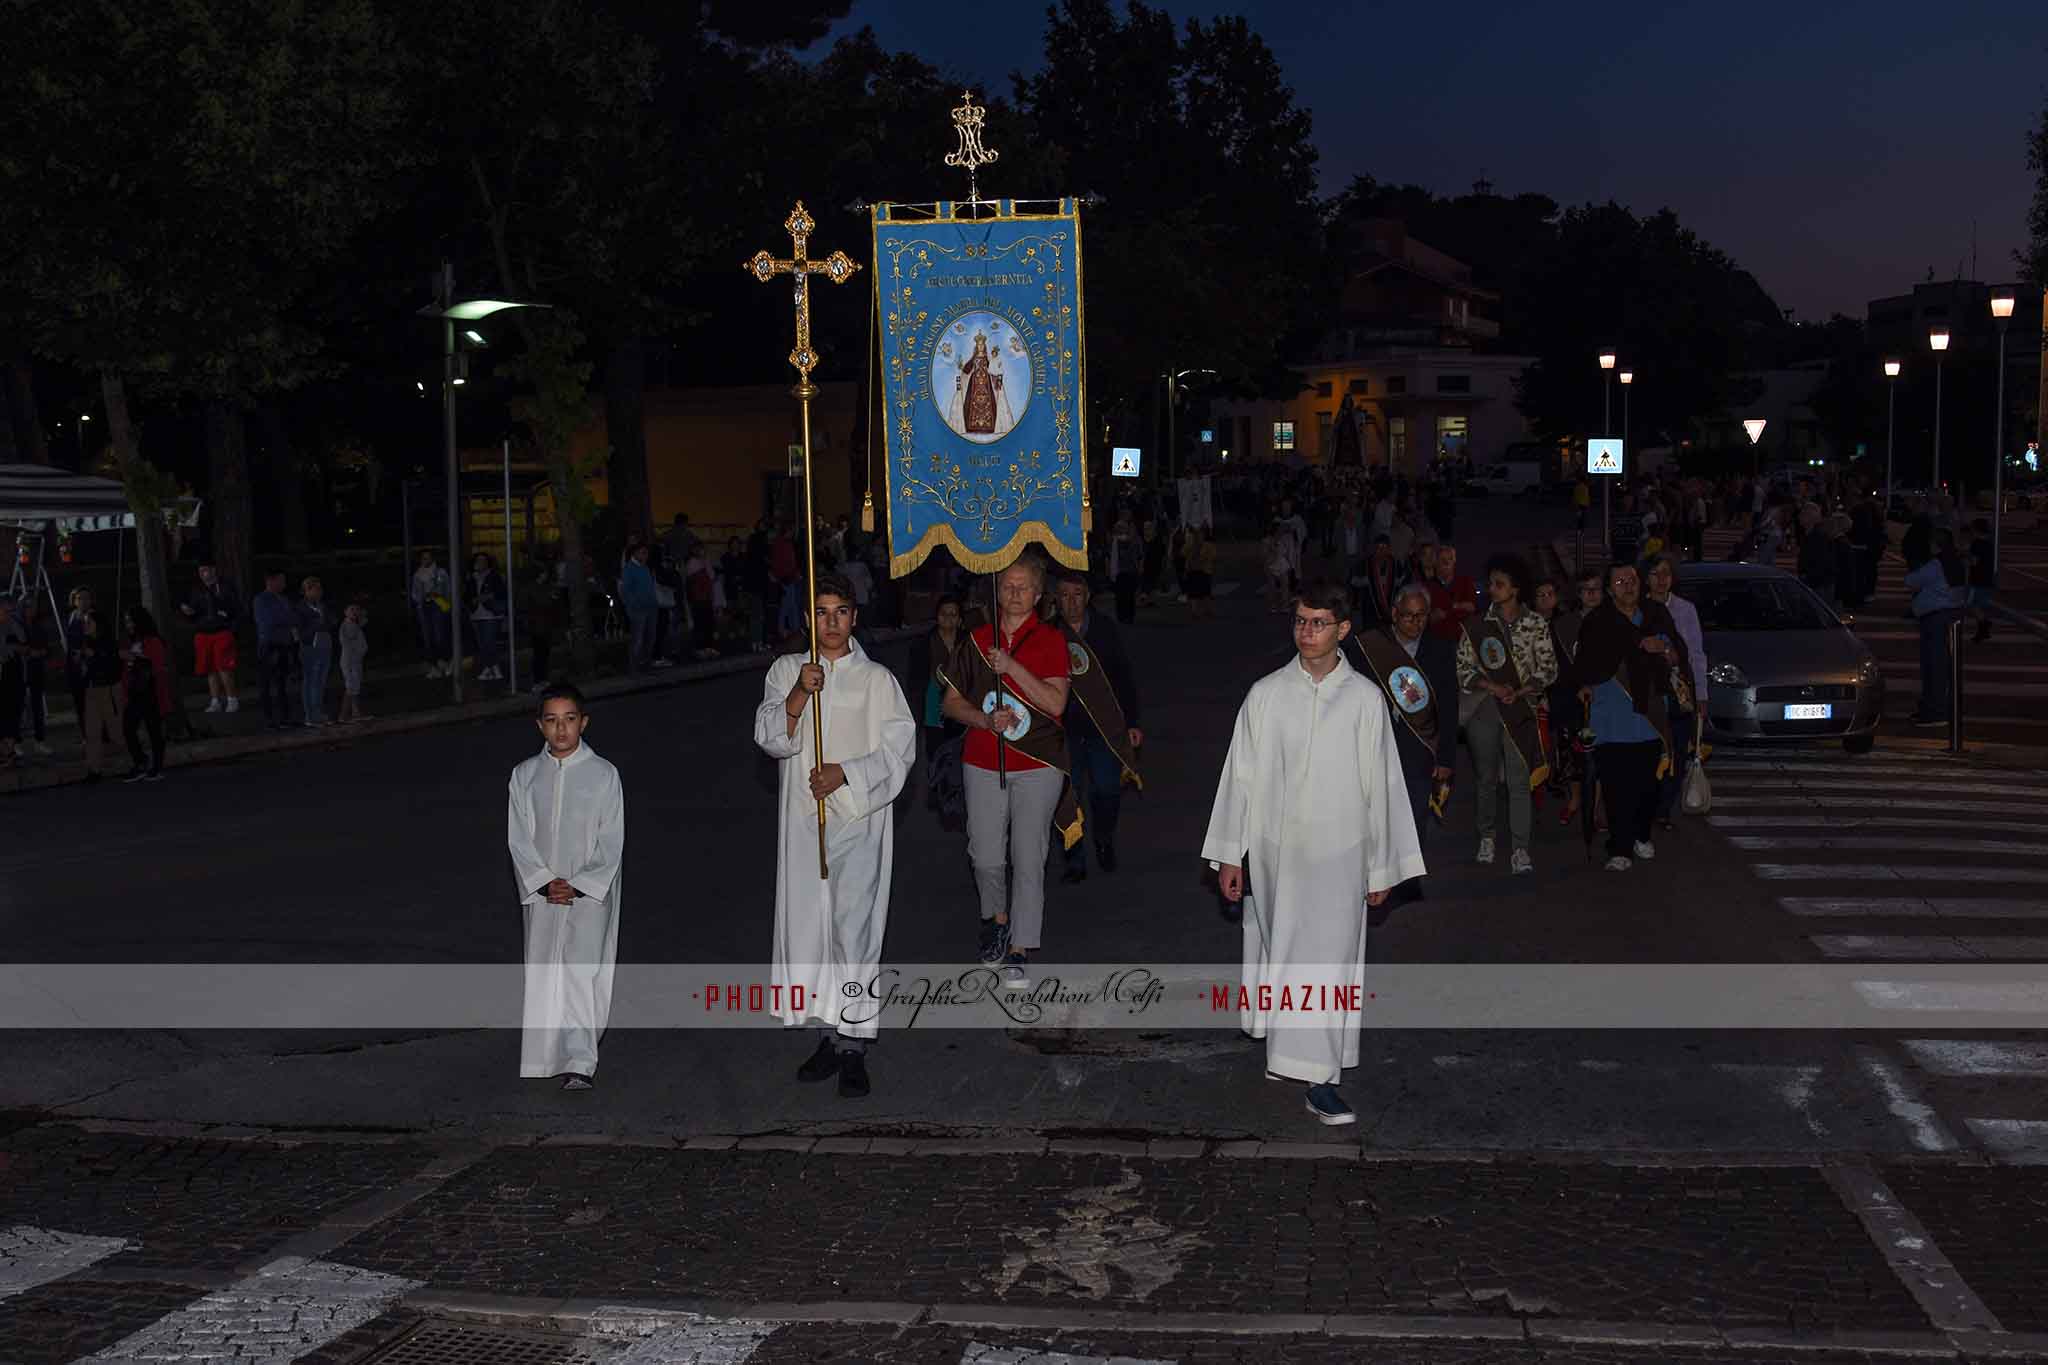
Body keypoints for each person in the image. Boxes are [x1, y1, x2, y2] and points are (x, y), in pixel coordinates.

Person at [1202, 580, 1424, 1126]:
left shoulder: (1366, 700)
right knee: (1286, 951)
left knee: (1328, 961)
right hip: (1279, 854)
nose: (1306, 631)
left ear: (1343, 629)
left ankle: (1320, 1079)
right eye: (1300, 621)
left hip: (1341, 855)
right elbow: (1240, 779)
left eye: (1318, 622)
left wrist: (1383, 867)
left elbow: (1385, 786)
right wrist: (1232, 853)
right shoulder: (1266, 694)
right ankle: (1289, 1052)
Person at [753, 574, 915, 1099]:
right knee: (812, 929)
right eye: (821, 612)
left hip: (859, 821)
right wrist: (802, 689)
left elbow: (899, 749)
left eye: (840, 611)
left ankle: (853, 1043)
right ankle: (827, 1031)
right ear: (808, 619)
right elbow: (771, 737)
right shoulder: (786, 671)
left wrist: (845, 772)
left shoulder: (876, 680)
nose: (831, 622)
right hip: (804, 825)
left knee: (853, 929)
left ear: (854, 617)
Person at [939, 552, 1072, 990]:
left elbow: (1056, 705)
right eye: (1007, 586)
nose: (1013, 594)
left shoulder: (1052, 640)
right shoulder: (976, 639)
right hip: (983, 758)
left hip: (1038, 764)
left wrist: (1012, 667)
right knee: (986, 854)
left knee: (1028, 855)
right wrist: (982, 719)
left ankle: (1020, 946)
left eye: (1023, 587)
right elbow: (950, 702)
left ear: (1037, 594)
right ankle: (995, 919)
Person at [507, 683, 625, 1089]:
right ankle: (543, 1057)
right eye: (552, 721)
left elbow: (611, 839)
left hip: (588, 892)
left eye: (569, 719)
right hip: (543, 892)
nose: (561, 730)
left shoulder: (603, 774)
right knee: (543, 968)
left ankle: (579, 1059)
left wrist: (579, 884)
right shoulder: (524, 776)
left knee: (582, 971)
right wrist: (542, 881)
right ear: (540, 726)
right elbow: (518, 836)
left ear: (583, 722)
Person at [1566, 563, 1692, 871]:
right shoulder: (1598, 621)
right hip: (1610, 716)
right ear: (1610, 589)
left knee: (1648, 786)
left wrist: (1663, 647)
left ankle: (1641, 834)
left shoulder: (1655, 614)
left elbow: (1679, 652)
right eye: (1620, 581)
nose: (1628, 585)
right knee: (1616, 787)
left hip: (1649, 717)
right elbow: (1584, 666)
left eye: (1632, 579)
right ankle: (1619, 848)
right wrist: (1633, 646)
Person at [1346, 582, 1456, 919]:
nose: (1415, 623)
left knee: (1414, 813)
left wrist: (1446, 757)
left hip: (1418, 746)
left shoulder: (1439, 649)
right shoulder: (1369, 646)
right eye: (1408, 616)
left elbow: (1449, 705)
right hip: (1375, 742)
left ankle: (1407, 881)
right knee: (1373, 813)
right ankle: (1373, 875)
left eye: (1421, 616)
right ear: (1394, 614)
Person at [1455, 553, 1557, 875]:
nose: (1492, 589)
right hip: (1486, 709)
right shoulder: (1478, 625)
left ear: (1515, 589)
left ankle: (1520, 848)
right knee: (1485, 777)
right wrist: (1493, 686)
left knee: (1518, 781)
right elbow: (1462, 669)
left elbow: (1549, 669)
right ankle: (1486, 836)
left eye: (1499, 584)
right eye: (1492, 583)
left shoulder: (1535, 623)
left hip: (1522, 710)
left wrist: (1522, 691)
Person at [1053, 573, 1143, 884]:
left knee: (1107, 790)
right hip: (1063, 731)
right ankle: (1074, 859)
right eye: (1064, 595)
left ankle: (1103, 836)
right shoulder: (1048, 632)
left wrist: (1132, 721)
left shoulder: (1104, 629)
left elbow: (1124, 677)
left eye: (1077, 595)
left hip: (1103, 727)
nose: (1071, 602)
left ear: (1087, 596)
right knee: (1068, 794)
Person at [1645, 553, 1709, 830]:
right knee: (1652, 751)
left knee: (1679, 752)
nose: (1661, 580)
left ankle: (1663, 810)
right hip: (1650, 693)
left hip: (1681, 694)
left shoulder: (1685, 610)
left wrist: (1701, 695)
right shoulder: (1638, 608)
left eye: (1666, 574)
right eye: (1655, 574)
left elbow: (1696, 654)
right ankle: (1648, 806)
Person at [1906, 530, 1968, 726]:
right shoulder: (1955, 561)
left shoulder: (1936, 564)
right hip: (1950, 615)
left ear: (1936, 545)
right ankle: (1936, 707)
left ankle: (1935, 711)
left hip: (1936, 617)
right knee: (1942, 665)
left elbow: (1911, 581)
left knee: (1934, 666)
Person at [178, 562, 241, 713]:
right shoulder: (196, 589)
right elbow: (194, 612)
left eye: (205, 570)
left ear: (213, 570)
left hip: (221, 631)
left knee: (224, 667)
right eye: (200, 570)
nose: (203, 573)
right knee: (210, 668)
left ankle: (232, 699)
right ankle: (215, 700)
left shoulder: (225, 587)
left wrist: (231, 626)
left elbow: (236, 609)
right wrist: (189, 613)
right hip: (203, 632)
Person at [121, 605, 172, 782]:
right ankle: (141, 761)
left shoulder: (153, 641)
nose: (127, 624)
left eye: (130, 620)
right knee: (128, 728)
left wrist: (133, 659)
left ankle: (157, 766)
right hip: (135, 692)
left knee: (154, 730)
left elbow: (156, 666)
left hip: (151, 692)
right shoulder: (130, 641)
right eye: (126, 621)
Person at [74, 609, 125, 781]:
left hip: (109, 689)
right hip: (92, 689)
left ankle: (133, 760)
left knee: (116, 730)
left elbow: (113, 664)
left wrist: (95, 656)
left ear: (99, 625)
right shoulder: (85, 642)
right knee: (92, 732)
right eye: (84, 623)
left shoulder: (108, 642)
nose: (85, 626)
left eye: (89, 622)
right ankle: (94, 770)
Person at [251, 570, 296, 729]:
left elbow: (292, 618)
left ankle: (284, 717)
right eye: (281, 580)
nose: (284, 584)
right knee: (266, 683)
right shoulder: (261, 599)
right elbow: (268, 621)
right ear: (271, 581)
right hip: (269, 645)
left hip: (283, 644)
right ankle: (268, 718)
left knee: (282, 683)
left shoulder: (283, 599)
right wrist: (286, 620)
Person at [295, 576, 338, 727]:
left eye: (320, 588)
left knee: (320, 681)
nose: (320, 592)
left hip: (325, 645)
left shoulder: (322, 606)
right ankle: (311, 715)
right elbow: (301, 632)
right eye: (316, 589)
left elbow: (332, 621)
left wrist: (325, 622)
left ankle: (317, 712)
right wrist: (318, 624)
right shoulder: (301, 608)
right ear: (307, 590)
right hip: (310, 648)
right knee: (311, 681)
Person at [16, 596, 53, 758]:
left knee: (37, 707)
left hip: (36, 671)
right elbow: (17, 647)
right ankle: (16, 743)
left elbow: (47, 647)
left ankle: (39, 742)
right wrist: (30, 652)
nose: (31, 610)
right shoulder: (16, 625)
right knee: (18, 707)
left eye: (33, 607)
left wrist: (42, 652)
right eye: (28, 607)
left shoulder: (39, 625)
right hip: (20, 671)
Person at [1423, 543, 1477, 643]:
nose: (1446, 562)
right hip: (1435, 641)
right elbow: (1423, 616)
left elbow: (1471, 607)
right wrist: (1430, 618)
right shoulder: (1427, 587)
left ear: (1454, 561)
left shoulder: (1465, 582)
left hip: (1462, 640)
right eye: (1442, 559)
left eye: (1450, 558)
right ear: (1436, 562)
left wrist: (1449, 609)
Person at [411, 551, 453, 679]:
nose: (426, 560)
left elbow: (448, 590)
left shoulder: (441, 572)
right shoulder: (418, 574)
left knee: (439, 635)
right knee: (427, 637)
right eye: (423, 558)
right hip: (424, 607)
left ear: (433, 559)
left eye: (428, 558)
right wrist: (422, 599)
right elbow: (415, 593)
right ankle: (434, 666)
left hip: (439, 606)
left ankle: (444, 662)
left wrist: (445, 602)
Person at [470, 554, 509, 681]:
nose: (479, 563)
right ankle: (490, 668)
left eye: (483, 561)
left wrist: (487, 597)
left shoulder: (494, 576)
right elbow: (467, 593)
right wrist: (472, 600)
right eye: (478, 561)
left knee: (489, 642)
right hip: (476, 614)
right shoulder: (472, 577)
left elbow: (501, 592)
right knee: (482, 644)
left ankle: (493, 668)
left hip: (490, 614)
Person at [620, 542, 658, 673]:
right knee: (638, 639)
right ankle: (634, 667)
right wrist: (634, 607)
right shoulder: (629, 569)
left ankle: (645, 664)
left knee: (650, 638)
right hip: (639, 610)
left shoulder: (644, 567)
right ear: (635, 553)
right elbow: (626, 592)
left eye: (646, 553)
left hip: (650, 607)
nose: (646, 556)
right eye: (643, 553)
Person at [1795, 504, 1836, 607]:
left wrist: (1807, 576)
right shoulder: (1811, 534)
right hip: (1816, 582)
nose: (1799, 517)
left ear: (1810, 517)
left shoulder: (1818, 536)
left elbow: (1822, 563)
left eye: (1803, 514)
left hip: (1818, 584)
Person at [0, 599, 23, 768]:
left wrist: (13, 623)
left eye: (11, 611)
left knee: (12, 712)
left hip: (13, 675)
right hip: (2, 674)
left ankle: (9, 750)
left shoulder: (14, 625)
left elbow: (23, 641)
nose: (8, 614)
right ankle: (6, 751)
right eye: (5, 611)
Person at [339, 602, 370, 723]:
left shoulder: (354, 624)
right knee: (350, 688)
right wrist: (358, 617)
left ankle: (356, 713)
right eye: (351, 609)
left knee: (355, 688)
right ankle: (343, 716)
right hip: (350, 660)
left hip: (355, 660)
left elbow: (365, 620)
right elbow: (352, 636)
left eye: (356, 609)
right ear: (345, 612)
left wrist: (360, 615)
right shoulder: (347, 625)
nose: (354, 611)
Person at [1966, 518, 1996, 642]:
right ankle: (1983, 628)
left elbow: (1974, 561)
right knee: (1981, 605)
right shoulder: (1990, 543)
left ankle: (1984, 623)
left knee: (1972, 604)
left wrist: (1966, 556)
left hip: (1978, 578)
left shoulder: (1976, 544)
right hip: (1987, 577)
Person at [1184, 528, 1216, 621]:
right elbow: (1183, 554)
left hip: (1202, 571)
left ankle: (1204, 610)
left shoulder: (1206, 545)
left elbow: (1212, 557)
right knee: (1198, 592)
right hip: (1197, 571)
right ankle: (1198, 611)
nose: (1198, 537)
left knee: (1203, 592)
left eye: (1200, 534)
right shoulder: (1204, 545)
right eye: (1197, 535)